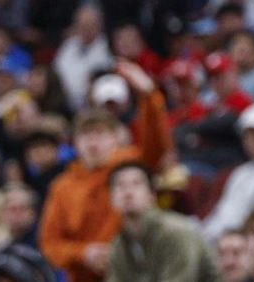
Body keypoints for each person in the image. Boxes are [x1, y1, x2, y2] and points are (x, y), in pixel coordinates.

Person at [40, 62, 174, 282]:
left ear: (115, 138)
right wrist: (84, 253)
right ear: (75, 143)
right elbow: (50, 243)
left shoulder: (129, 164)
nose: (93, 143)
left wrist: (150, 96)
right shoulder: (62, 186)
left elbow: (157, 147)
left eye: (100, 134)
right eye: (86, 135)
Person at [105, 161, 221, 282]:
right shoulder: (120, 242)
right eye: (120, 185)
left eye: (136, 184)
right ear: (111, 198)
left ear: (152, 195)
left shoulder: (176, 231)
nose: (128, 192)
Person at [205, 104, 254, 240]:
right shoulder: (240, 173)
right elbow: (223, 215)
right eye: (247, 135)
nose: (252, 140)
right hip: (229, 242)